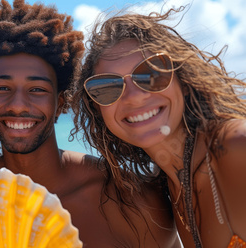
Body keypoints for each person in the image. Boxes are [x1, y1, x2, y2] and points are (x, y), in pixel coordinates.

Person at [0, 0, 181, 247]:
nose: (17, 104)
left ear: (61, 103)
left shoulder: (131, 201)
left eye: (37, 89)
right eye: (2, 88)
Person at [70, 7, 246, 247]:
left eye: (150, 73)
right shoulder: (168, 190)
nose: (133, 97)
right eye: (108, 87)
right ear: (98, 111)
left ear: (182, 78)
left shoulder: (234, 146)